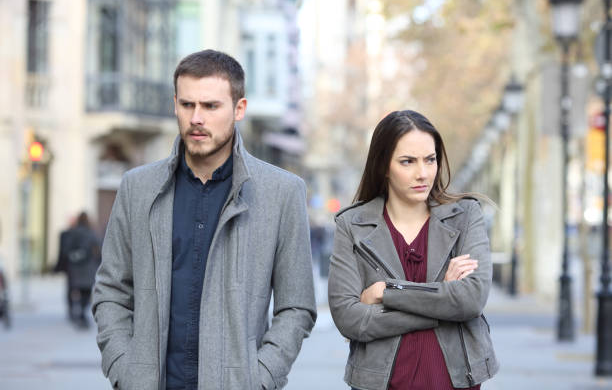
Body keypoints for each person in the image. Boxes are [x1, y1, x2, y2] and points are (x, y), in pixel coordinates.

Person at [92, 49, 316, 390]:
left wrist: (261, 377)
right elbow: (111, 290)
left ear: (239, 109)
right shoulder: (137, 188)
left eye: (211, 106)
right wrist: (125, 369)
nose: (197, 118)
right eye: (187, 105)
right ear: (175, 105)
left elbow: (297, 306)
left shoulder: (282, 193)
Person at [328, 110, 498, 390]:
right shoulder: (352, 225)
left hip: (454, 382)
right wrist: (441, 298)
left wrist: (387, 292)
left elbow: (470, 300)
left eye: (430, 160)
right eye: (407, 162)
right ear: (383, 165)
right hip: (381, 382)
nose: (423, 173)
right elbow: (350, 319)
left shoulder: (466, 215)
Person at [60, 212, 101, 328]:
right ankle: (82, 312)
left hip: (75, 267)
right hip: (88, 267)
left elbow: (66, 249)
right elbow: (98, 248)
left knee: (72, 290)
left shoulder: (73, 232)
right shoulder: (91, 233)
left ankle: (74, 312)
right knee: (86, 292)